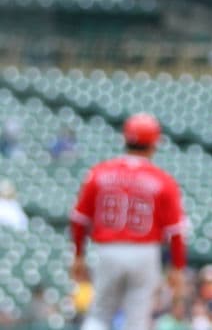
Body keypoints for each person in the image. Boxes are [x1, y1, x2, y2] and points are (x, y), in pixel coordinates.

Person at [69, 112, 187, 330]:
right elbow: (176, 232)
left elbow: (79, 219)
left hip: (108, 249)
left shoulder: (99, 173)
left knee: (100, 313)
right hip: (144, 251)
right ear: (154, 144)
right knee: (137, 319)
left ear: (125, 139)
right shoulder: (163, 181)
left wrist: (78, 254)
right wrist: (177, 268)